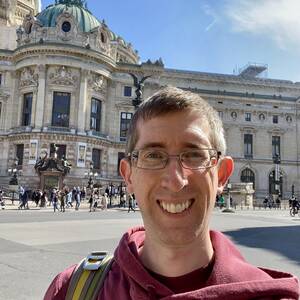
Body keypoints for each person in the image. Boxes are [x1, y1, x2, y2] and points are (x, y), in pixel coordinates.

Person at [44, 87, 299, 299]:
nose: (176, 181)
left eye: (194, 155)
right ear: (128, 175)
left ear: (222, 175)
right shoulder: (71, 290)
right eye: (154, 155)